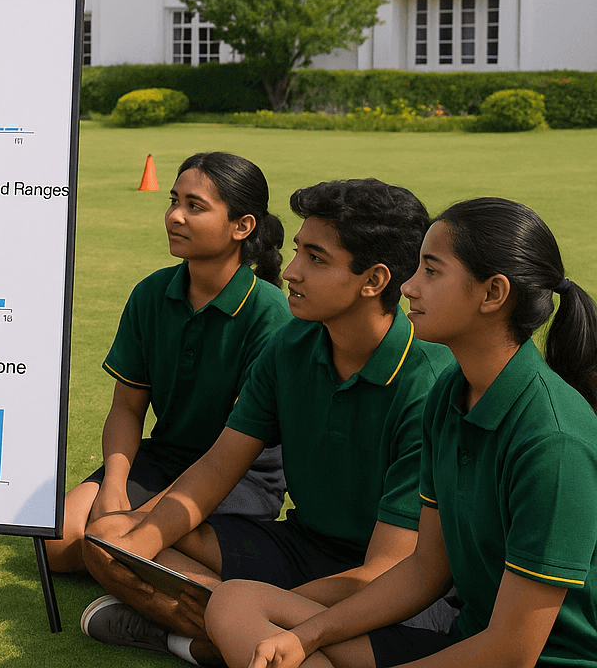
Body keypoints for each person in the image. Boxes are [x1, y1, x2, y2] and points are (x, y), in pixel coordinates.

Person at [208, 197, 597, 668]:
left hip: (528, 661)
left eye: (431, 271)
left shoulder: (553, 442)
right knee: (236, 602)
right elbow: (424, 570)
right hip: (462, 645)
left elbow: (512, 651)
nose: (409, 286)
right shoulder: (452, 393)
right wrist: (307, 636)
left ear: (493, 294)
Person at [81, 179, 456, 667]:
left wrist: (254, 604)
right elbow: (216, 469)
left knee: (244, 608)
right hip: (300, 547)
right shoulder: (290, 346)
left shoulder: (430, 384)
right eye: (298, 251)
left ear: (374, 280)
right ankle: (225, 632)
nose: (292, 272)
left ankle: (193, 638)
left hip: (387, 589)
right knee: (106, 539)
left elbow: (388, 569)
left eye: (316, 259)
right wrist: (135, 549)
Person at [45, 152, 291, 575]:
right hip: (164, 457)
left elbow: (233, 452)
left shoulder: (269, 313)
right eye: (173, 201)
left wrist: (143, 518)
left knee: (114, 546)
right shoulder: (152, 293)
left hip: (239, 475)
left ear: (242, 226)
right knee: (60, 545)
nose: (175, 216)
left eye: (195, 206)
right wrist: (115, 489)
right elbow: (126, 407)